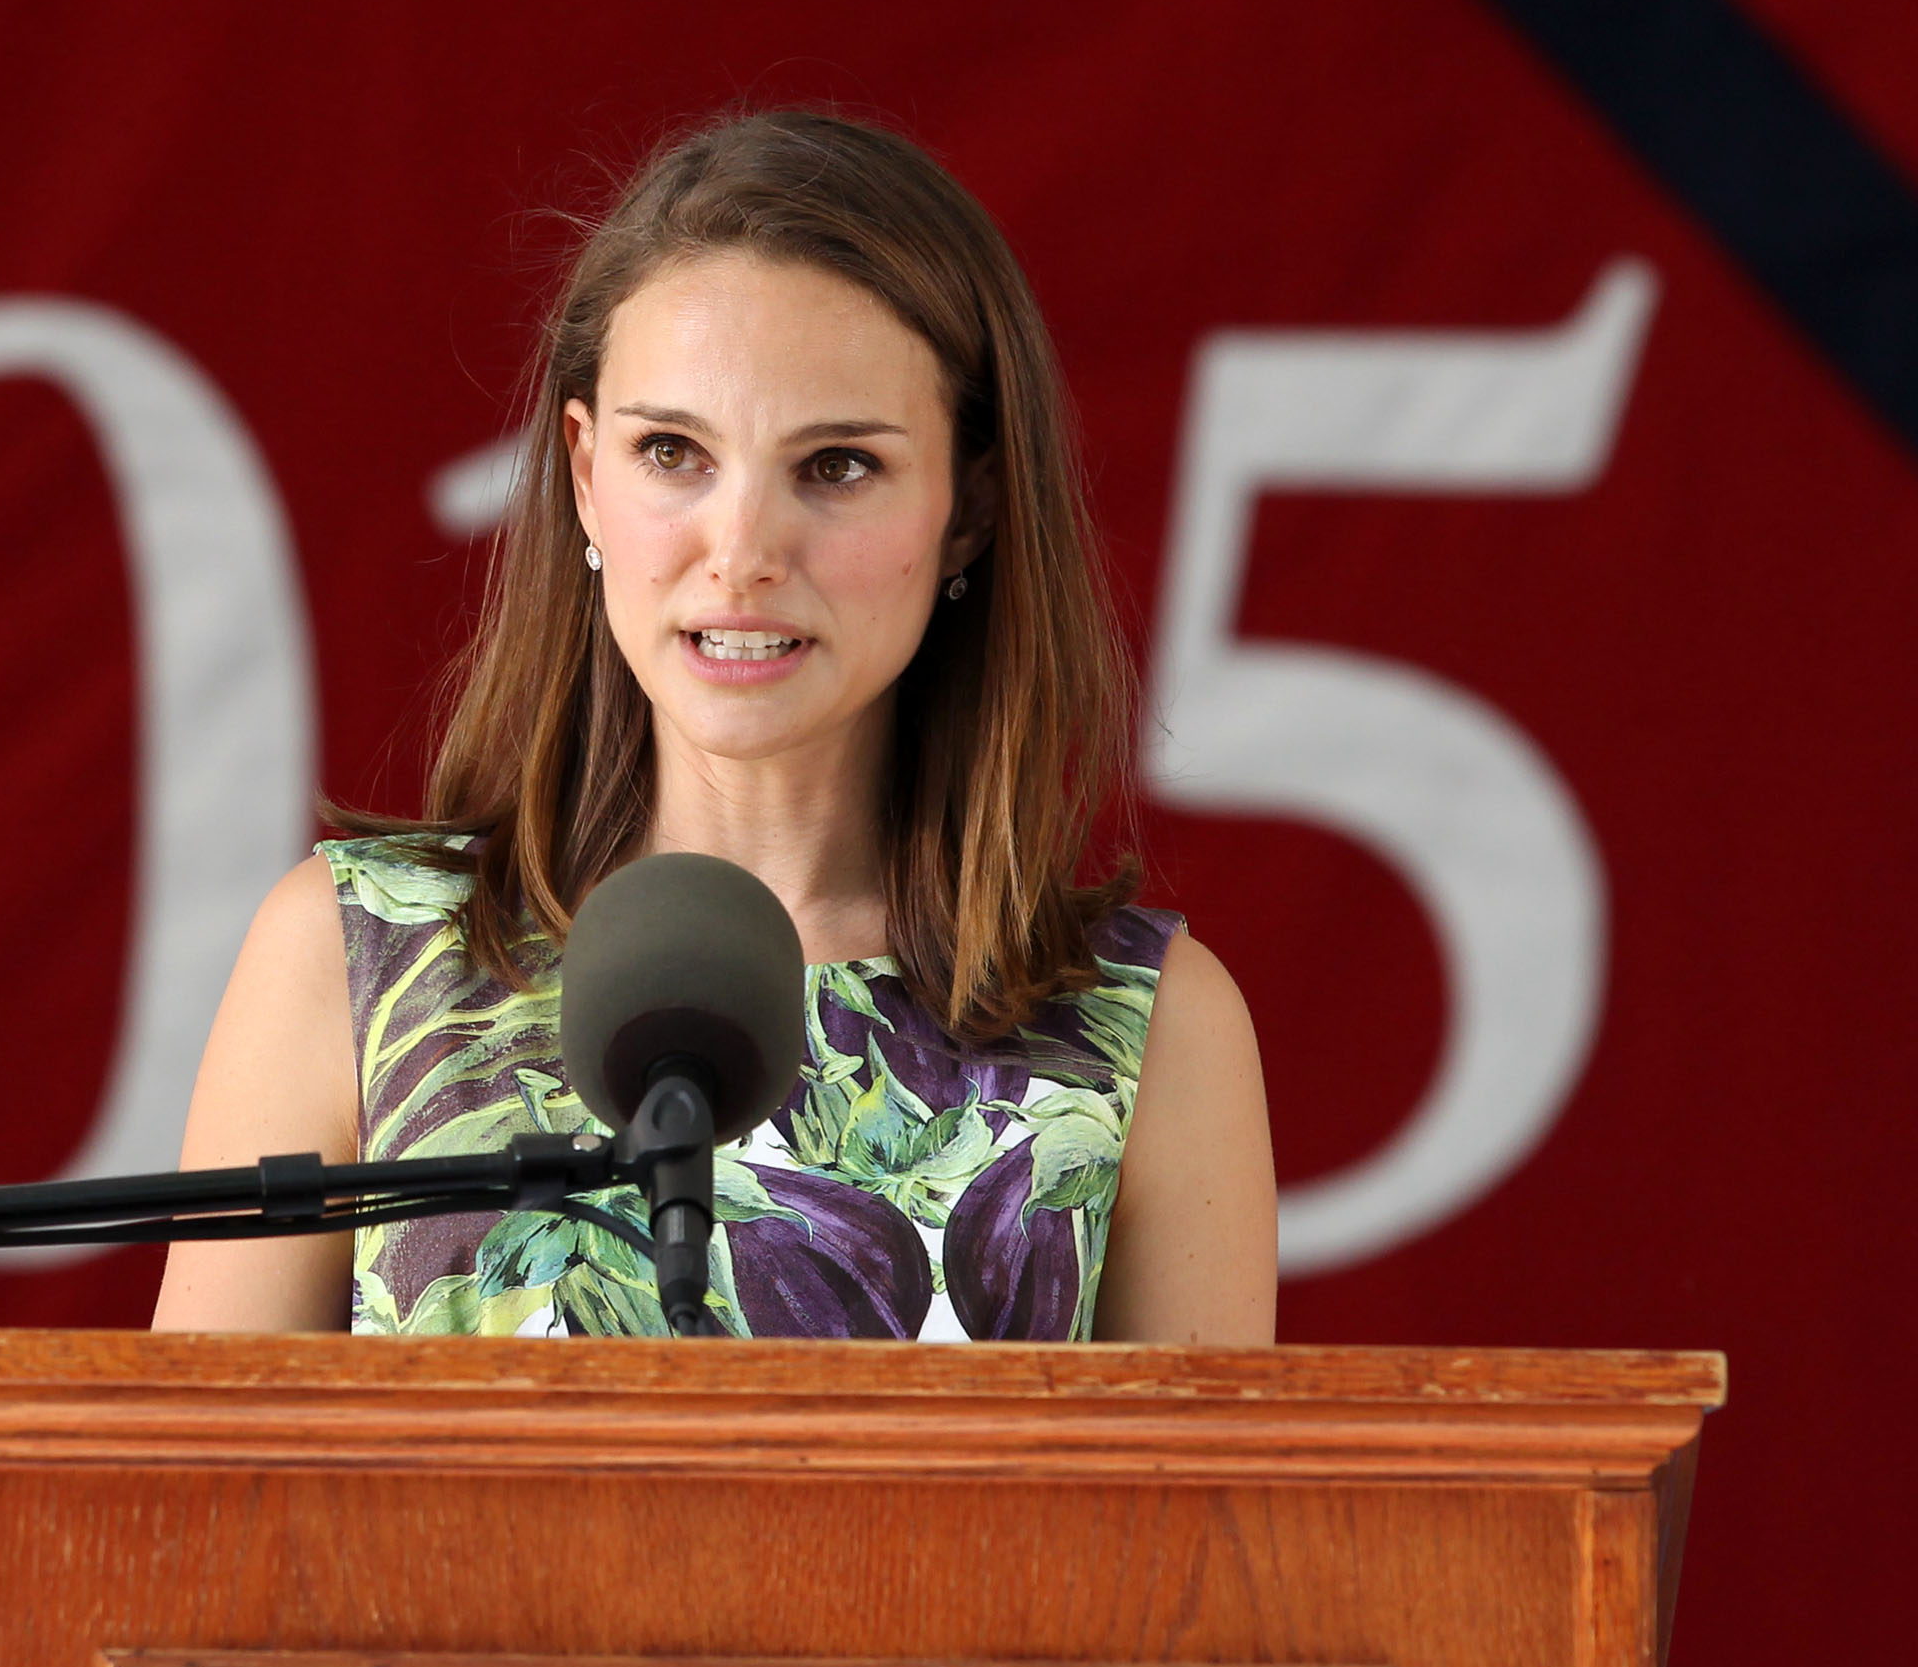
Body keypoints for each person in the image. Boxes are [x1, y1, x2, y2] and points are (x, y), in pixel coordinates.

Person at [154, 110, 1275, 1344]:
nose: (740, 555)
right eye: (673, 452)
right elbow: (188, 1518)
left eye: (837, 466)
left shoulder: (1153, 1034)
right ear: (586, 474)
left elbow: (1201, 1539)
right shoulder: (351, 959)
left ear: (970, 510)